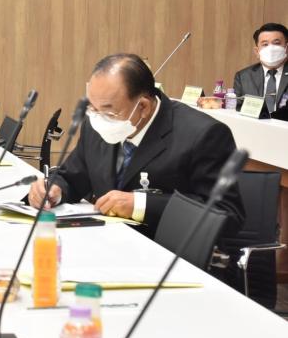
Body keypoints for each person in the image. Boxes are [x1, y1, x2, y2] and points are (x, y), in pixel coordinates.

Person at [27, 53, 244, 237]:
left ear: (143, 107)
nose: (98, 118)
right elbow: (72, 176)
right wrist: (53, 189)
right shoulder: (96, 124)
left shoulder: (203, 134)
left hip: (166, 254)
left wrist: (141, 205)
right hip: (106, 243)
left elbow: (226, 214)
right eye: (92, 107)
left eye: (109, 112)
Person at [233, 22, 288, 114]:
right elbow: (237, 108)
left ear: (286, 48)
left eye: (276, 43)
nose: (271, 49)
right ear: (257, 51)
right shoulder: (243, 76)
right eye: (265, 44)